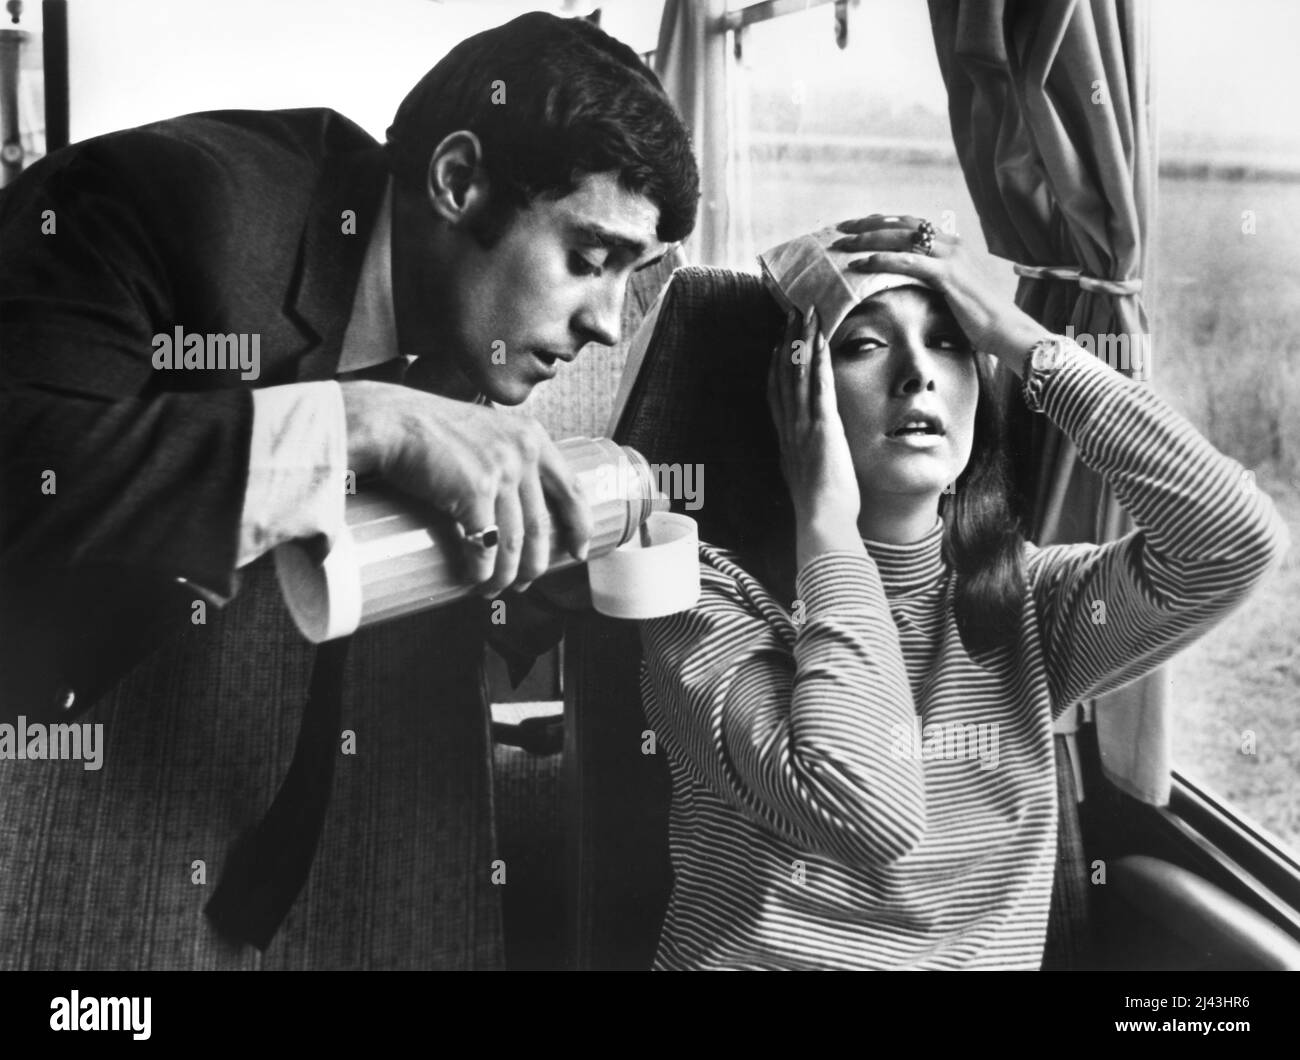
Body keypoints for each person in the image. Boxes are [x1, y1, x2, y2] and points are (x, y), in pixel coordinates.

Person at [0, 12, 697, 969]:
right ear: (457, 181)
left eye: (635, 274)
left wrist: (523, 605)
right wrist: (363, 420)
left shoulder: (472, 324)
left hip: (356, 854)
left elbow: (366, 564)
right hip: (73, 795)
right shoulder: (163, 199)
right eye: (589, 259)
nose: (610, 325)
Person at [639, 216, 1289, 970]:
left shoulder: (1026, 602)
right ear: (788, 394)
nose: (919, 373)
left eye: (950, 341)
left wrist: (1023, 341)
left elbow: (1236, 539)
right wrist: (828, 523)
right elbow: (868, 809)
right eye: (864, 343)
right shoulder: (703, 599)